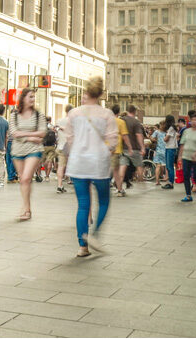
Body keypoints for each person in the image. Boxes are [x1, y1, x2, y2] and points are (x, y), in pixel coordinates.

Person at [63, 76, 117, 257]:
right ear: (101, 94)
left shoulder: (74, 113)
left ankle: (82, 246)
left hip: (78, 162)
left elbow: (69, 139)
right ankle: (95, 234)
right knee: (103, 201)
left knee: (83, 205)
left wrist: (78, 149)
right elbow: (113, 141)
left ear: (86, 91)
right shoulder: (107, 114)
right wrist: (106, 151)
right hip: (98, 162)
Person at [8, 88, 47, 221]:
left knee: (25, 178)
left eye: (33, 97)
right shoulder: (14, 115)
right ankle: (27, 208)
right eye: (30, 96)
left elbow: (42, 133)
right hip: (17, 151)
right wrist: (31, 137)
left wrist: (24, 135)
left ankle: (25, 209)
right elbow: (14, 133)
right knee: (24, 180)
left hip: (34, 150)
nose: (32, 99)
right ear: (23, 98)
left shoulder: (38, 115)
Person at [178, 113, 196, 202]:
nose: (194, 122)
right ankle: (188, 195)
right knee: (186, 175)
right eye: (192, 120)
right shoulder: (186, 131)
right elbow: (182, 144)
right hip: (186, 156)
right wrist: (179, 156)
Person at [111, 105, 131, 197]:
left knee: (112, 170)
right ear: (118, 113)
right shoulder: (121, 122)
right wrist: (130, 147)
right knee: (115, 171)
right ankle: (119, 190)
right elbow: (125, 136)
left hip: (106, 149)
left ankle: (119, 189)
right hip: (116, 148)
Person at [122, 105, 146, 183]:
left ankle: (119, 183)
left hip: (123, 148)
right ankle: (141, 182)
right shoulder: (136, 122)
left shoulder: (122, 120)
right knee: (139, 166)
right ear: (134, 112)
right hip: (135, 148)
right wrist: (142, 147)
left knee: (123, 166)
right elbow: (138, 135)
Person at [54, 106, 73, 193]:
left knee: (60, 166)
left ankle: (59, 185)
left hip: (61, 146)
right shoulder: (73, 121)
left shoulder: (59, 121)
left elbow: (56, 131)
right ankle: (71, 180)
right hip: (70, 147)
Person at [161, 115, 179, 190]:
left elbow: (166, 139)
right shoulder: (172, 128)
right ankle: (169, 181)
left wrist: (164, 137)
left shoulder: (171, 128)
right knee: (169, 166)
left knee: (170, 166)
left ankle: (171, 182)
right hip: (169, 147)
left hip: (171, 148)